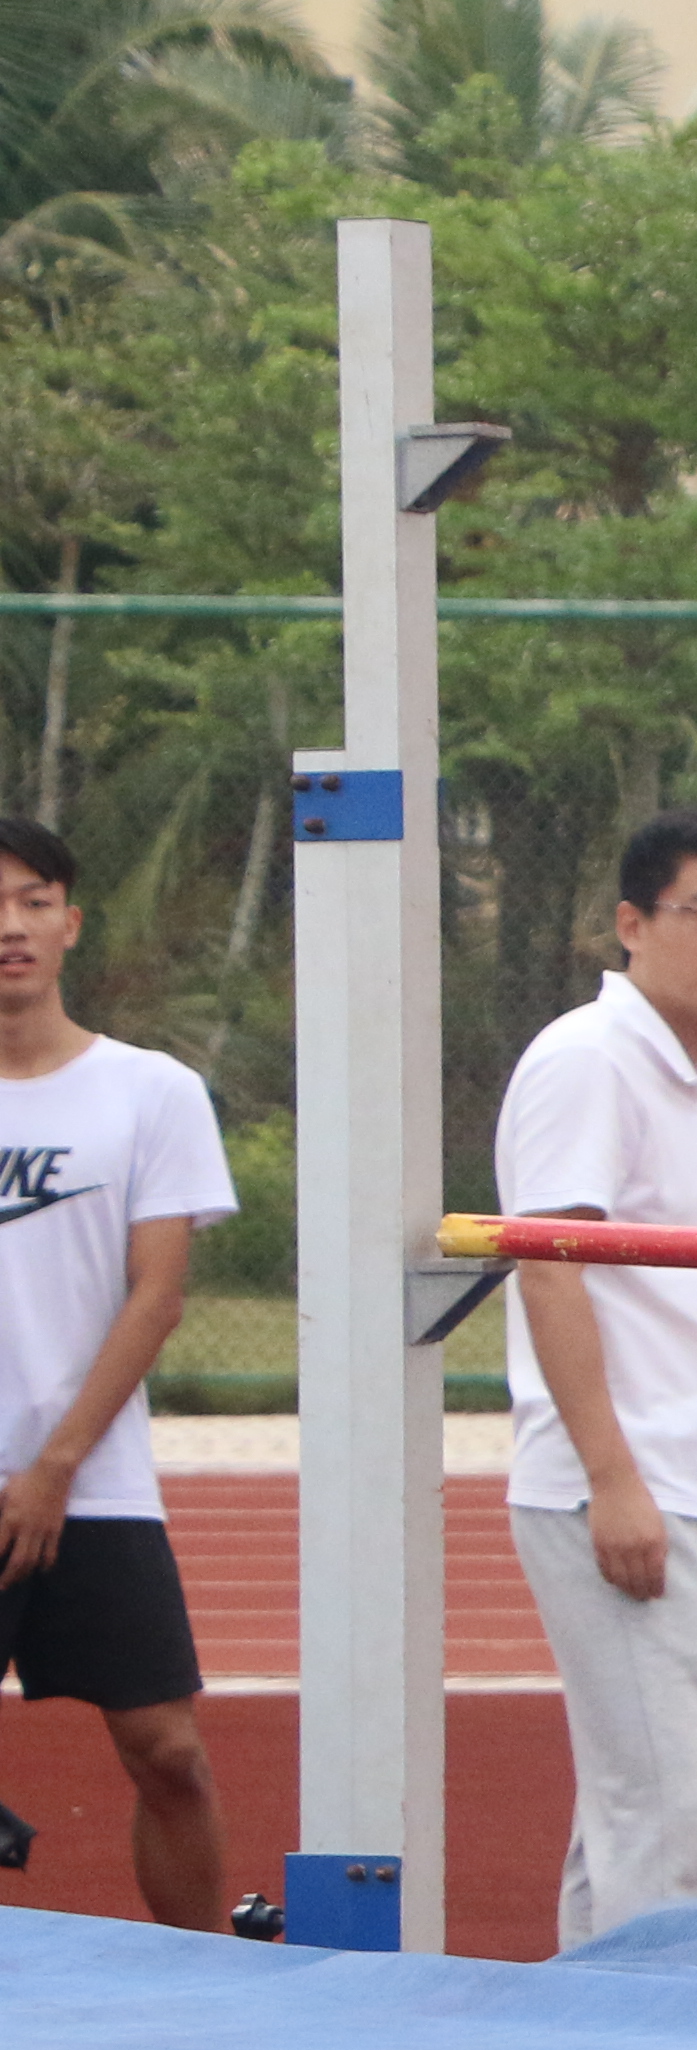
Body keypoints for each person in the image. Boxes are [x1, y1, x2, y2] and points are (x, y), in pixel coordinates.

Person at [500, 806, 697, 1948]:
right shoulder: (589, 1060)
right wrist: (612, 1479)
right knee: (659, 1824)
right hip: (629, 1482)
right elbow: (549, 1274)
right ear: (631, 923)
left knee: (651, 1818)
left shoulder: (695, 1071)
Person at [0, 816, 233, 1930]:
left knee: (169, 1751)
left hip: (89, 1480)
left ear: (70, 922)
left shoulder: (152, 1092)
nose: (11, 926)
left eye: (34, 901)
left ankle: (207, 1979)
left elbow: (158, 1295)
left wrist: (50, 1467)